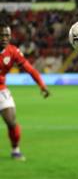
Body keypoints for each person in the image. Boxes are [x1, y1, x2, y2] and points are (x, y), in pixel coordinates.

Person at [0, 21, 50, 161]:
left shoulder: (13, 52)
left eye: (7, 35)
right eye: (1, 35)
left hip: (1, 90)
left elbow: (30, 69)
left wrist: (42, 85)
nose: (4, 38)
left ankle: (15, 149)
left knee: (11, 121)